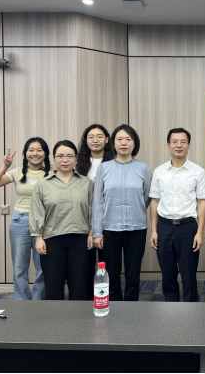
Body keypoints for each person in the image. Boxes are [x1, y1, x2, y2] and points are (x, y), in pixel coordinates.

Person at [92, 125, 152, 302]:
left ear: (134, 143)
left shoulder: (143, 168)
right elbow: (97, 202)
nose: (123, 143)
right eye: (119, 139)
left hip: (137, 228)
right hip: (110, 228)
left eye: (128, 139)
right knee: (112, 273)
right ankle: (115, 306)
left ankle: (132, 307)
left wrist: (135, 209)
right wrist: (97, 233)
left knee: (133, 273)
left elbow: (147, 197)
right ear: (113, 143)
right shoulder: (104, 168)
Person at [0, 138, 51, 300]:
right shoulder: (17, 172)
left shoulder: (51, 174)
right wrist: (5, 166)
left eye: (39, 150)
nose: (35, 153)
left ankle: (38, 303)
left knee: (43, 267)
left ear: (45, 153)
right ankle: (22, 303)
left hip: (44, 224)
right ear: (25, 153)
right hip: (20, 221)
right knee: (19, 267)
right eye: (31, 150)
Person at [29, 140, 94, 301]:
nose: (65, 160)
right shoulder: (43, 185)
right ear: (54, 158)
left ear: (76, 158)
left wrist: (92, 233)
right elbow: (36, 212)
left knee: (79, 285)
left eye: (70, 156)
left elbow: (93, 210)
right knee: (53, 286)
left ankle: (79, 317)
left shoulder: (86, 183)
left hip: (80, 239)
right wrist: (38, 238)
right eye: (60, 156)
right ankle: (54, 317)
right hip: (52, 240)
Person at [149, 128, 205, 302]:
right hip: (164, 227)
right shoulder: (159, 171)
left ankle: (191, 310)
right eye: (174, 141)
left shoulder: (198, 172)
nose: (179, 145)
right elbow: (155, 201)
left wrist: (200, 232)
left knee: (189, 274)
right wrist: (154, 230)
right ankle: (171, 310)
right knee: (167, 274)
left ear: (189, 146)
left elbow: (202, 201)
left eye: (183, 142)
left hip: (188, 228)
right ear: (168, 145)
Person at [76, 124, 113, 300]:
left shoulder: (114, 163)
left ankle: (105, 299)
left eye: (99, 136)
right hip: (83, 221)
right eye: (91, 137)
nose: (95, 140)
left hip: (107, 221)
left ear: (107, 139)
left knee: (106, 264)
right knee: (85, 265)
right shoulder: (78, 165)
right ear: (86, 141)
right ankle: (87, 302)